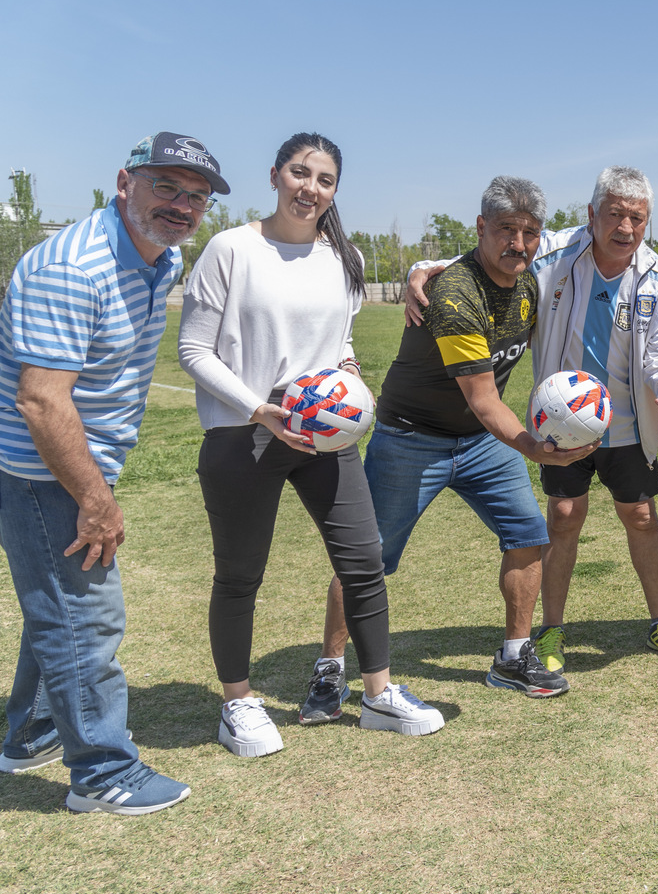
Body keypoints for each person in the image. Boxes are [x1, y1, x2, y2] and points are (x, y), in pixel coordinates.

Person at [179, 132, 442, 758]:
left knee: (364, 564)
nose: (310, 188)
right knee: (240, 576)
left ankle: (377, 692)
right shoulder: (231, 249)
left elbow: (339, 346)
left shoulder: (342, 257)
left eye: (324, 180)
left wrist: (350, 381)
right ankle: (238, 702)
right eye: (300, 173)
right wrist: (258, 409)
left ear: (334, 191)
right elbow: (194, 350)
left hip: (323, 440)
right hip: (243, 435)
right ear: (275, 176)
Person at [302, 176, 589, 723]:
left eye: (530, 233)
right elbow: (484, 400)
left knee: (528, 535)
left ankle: (512, 655)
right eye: (507, 229)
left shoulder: (527, 284)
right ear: (482, 228)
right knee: (367, 560)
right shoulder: (454, 293)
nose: (520, 244)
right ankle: (331, 665)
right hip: (412, 438)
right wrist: (537, 448)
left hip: (482, 444)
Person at [0, 132, 218, 815]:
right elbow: (41, 399)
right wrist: (93, 498)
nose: (182, 205)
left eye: (197, 195)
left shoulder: (159, 256)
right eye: (167, 187)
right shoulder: (76, 266)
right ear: (126, 183)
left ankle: (31, 732)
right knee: (86, 618)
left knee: (57, 609)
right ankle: (101, 773)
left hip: (75, 465)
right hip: (45, 473)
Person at [520, 166, 658, 674]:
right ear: (592, 215)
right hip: (562, 420)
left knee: (640, 516)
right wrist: (427, 266)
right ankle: (551, 630)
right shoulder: (552, 253)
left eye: (636, 218)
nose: (625, 227)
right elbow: (494, 253)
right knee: (563, 516)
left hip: (627, 424)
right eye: (615, 214)